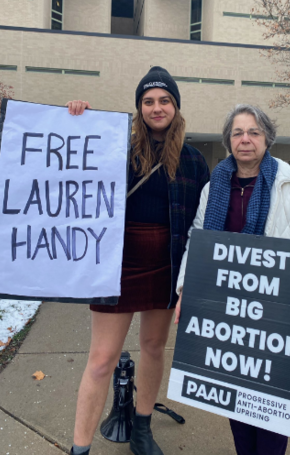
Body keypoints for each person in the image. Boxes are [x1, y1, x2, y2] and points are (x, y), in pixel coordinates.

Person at [174, 103, 290, 455]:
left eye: (253, 132)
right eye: (237, 132)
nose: (245, 139)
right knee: (235, 396)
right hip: (228, 310)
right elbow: (198, 240)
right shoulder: (213, 186)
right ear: (228, 140)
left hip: (276, 312)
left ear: (267, 138)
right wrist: (187, 288)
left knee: (272, 402)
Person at [66, 66, 210, 455]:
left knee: (153, 346)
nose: (156, 107)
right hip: (117, 265)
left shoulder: (195, 161)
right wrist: (76, 120)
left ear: (176, 107)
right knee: (100, 359)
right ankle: (80, 448)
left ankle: (142, 430)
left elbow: (206, 222)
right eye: (148, 101)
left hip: (167, 263)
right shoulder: (113, 147)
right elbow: (73, 167)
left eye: (165, 100)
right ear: (139, 108)